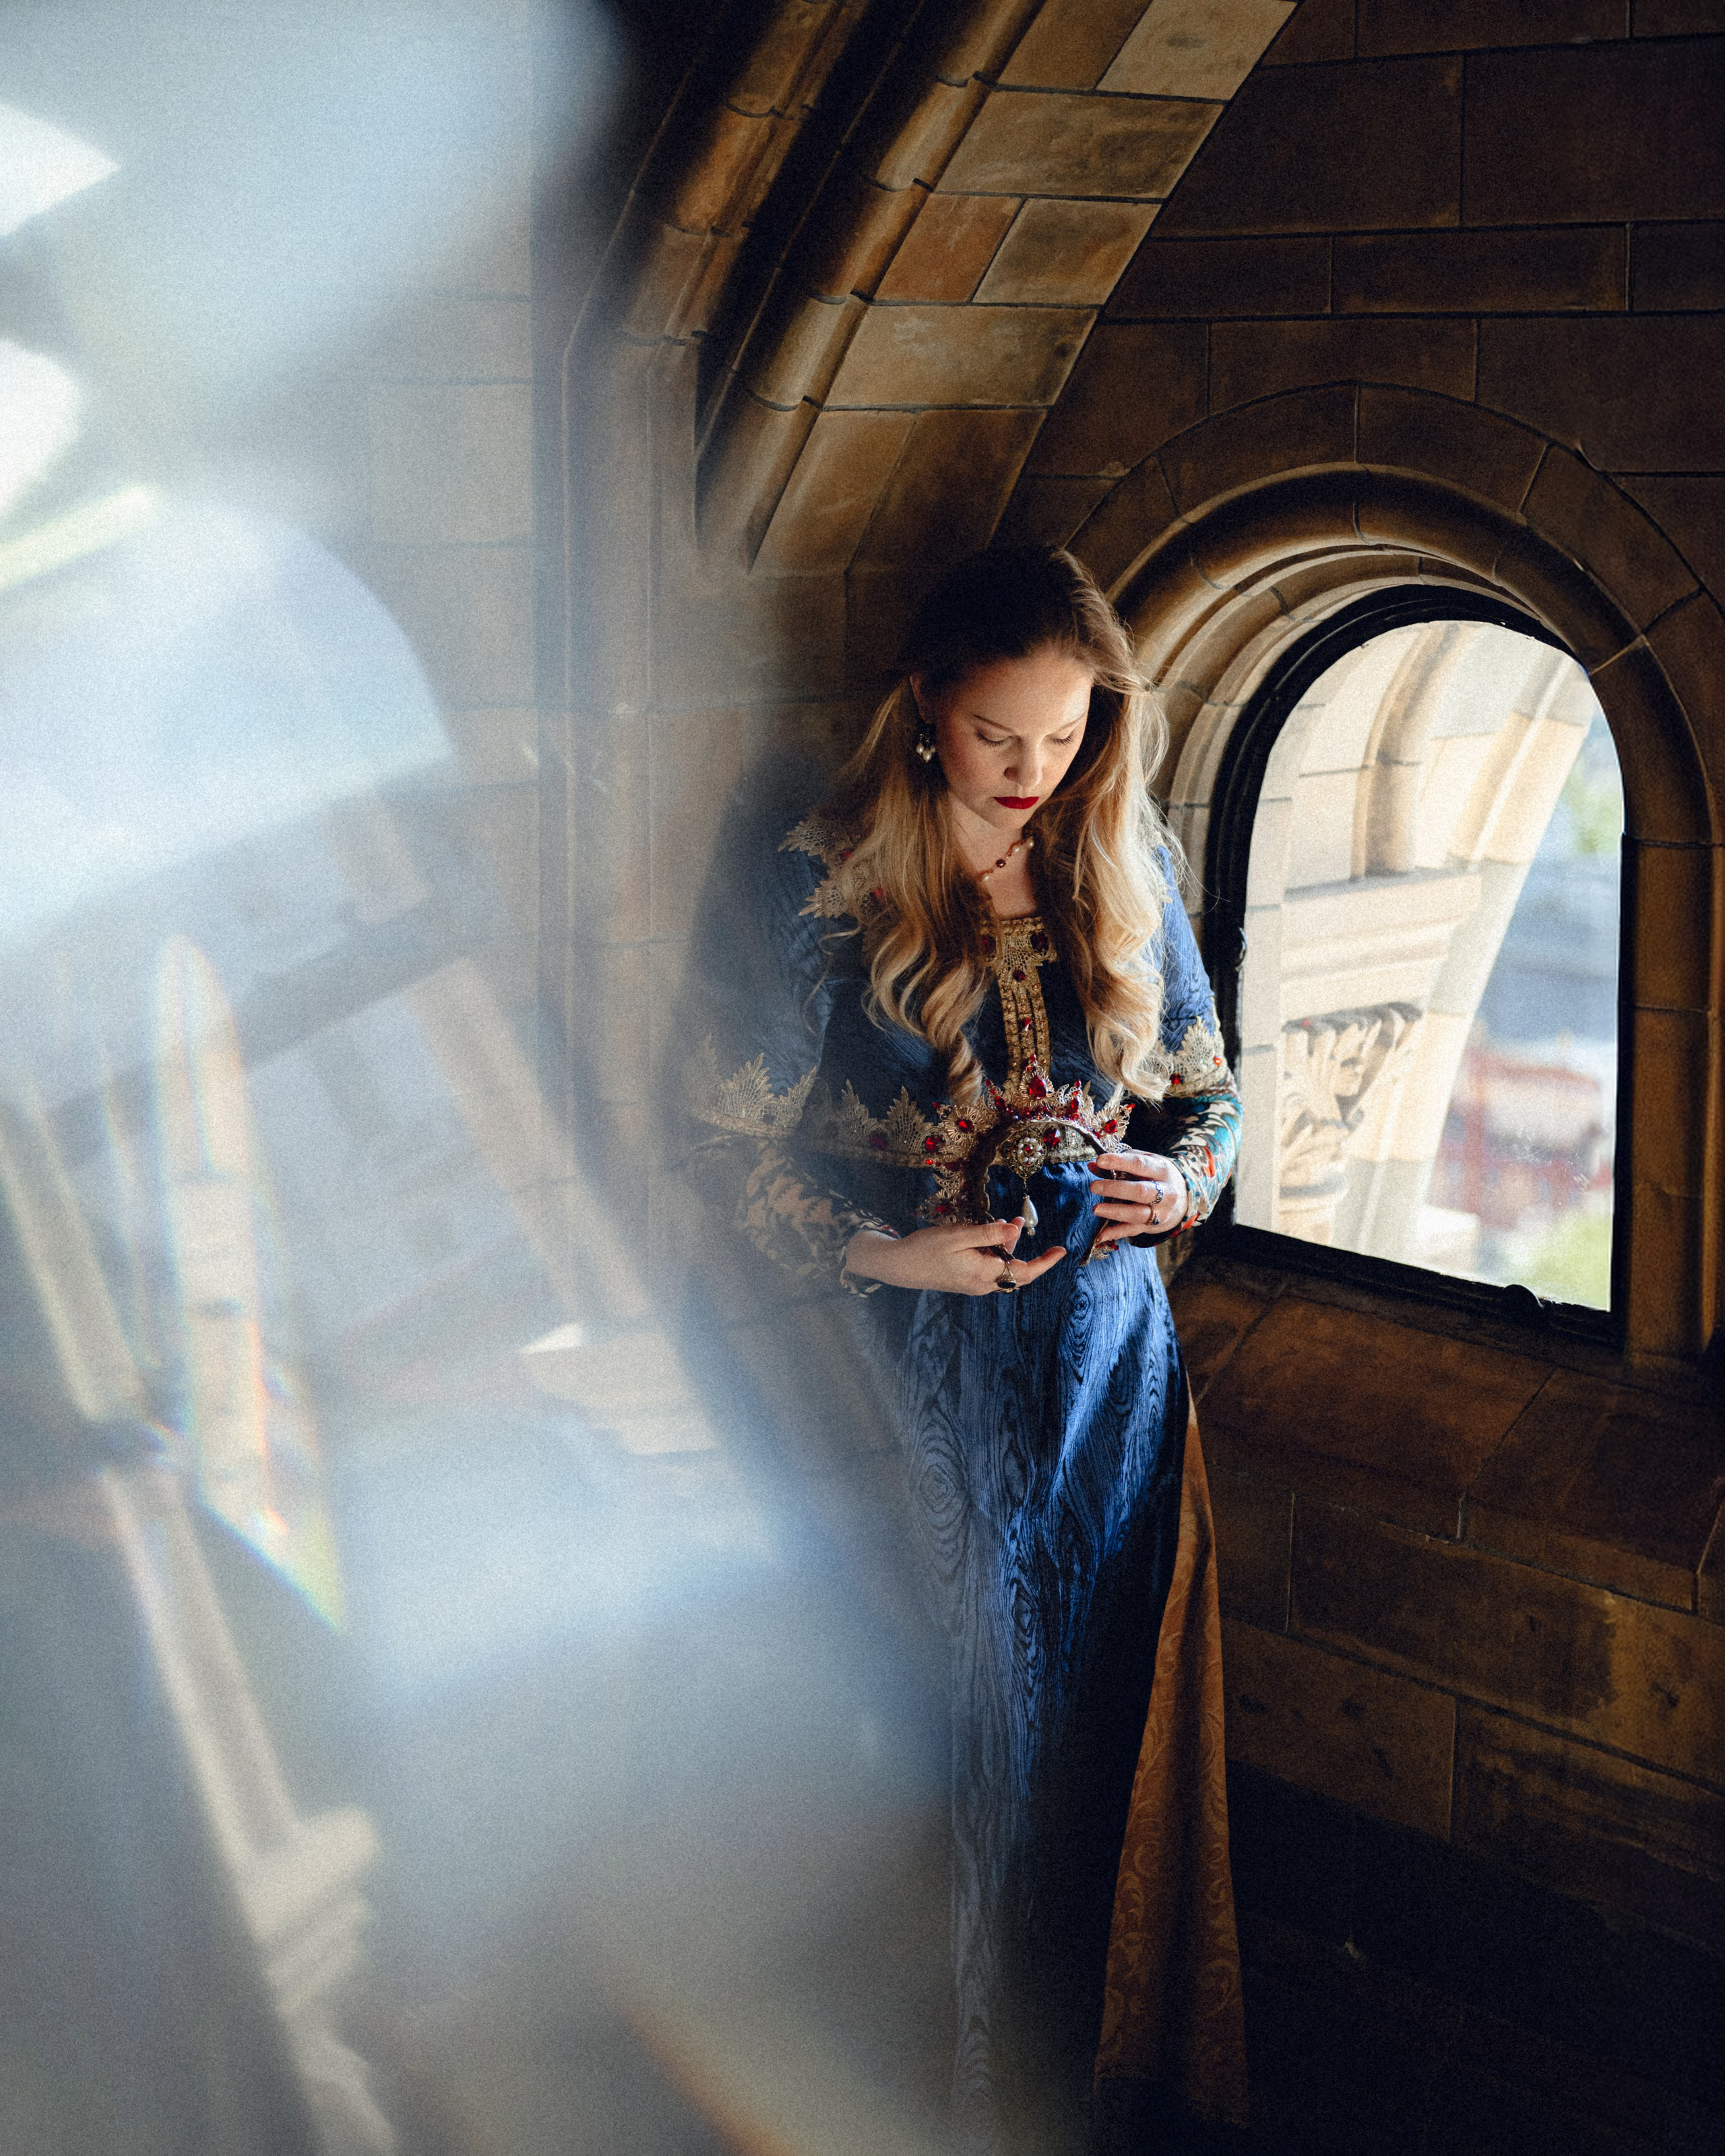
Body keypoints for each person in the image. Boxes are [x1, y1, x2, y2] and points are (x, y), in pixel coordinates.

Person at [679, 547, 1248, 2154]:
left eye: (1064, 736)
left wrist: (1176, 1181)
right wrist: (886, 1248)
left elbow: (1207, 1099)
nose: (1034, 773)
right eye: (1001, 736)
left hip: (1109, 1380)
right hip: (912, 1383)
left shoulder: (1118, 851)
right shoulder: (820, 883)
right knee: (955, 1724)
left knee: (1094, 1733)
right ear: (925, 707)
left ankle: (1085, 2084)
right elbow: (715, 1142)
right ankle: (925, 2096)